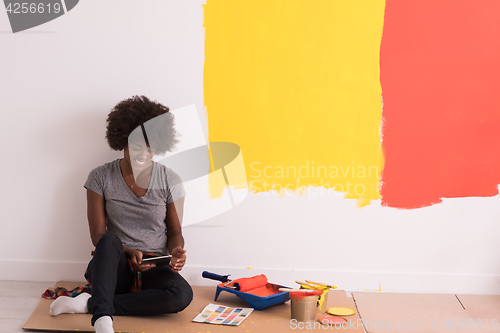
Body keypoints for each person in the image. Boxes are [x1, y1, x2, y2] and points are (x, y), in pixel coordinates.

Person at [49, 96, 193, 333]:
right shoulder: (100, 177)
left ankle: (91, 304)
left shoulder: (170, 181)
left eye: (150, 149)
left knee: (181, 295)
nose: (143, 155)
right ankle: (103, 320)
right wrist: (128, 252)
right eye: (137, 146)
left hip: (152, 265)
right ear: (123, 141)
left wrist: (177, 251)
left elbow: (175, 233)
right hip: (114, 267)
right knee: (108, 239)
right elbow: (98, 234)